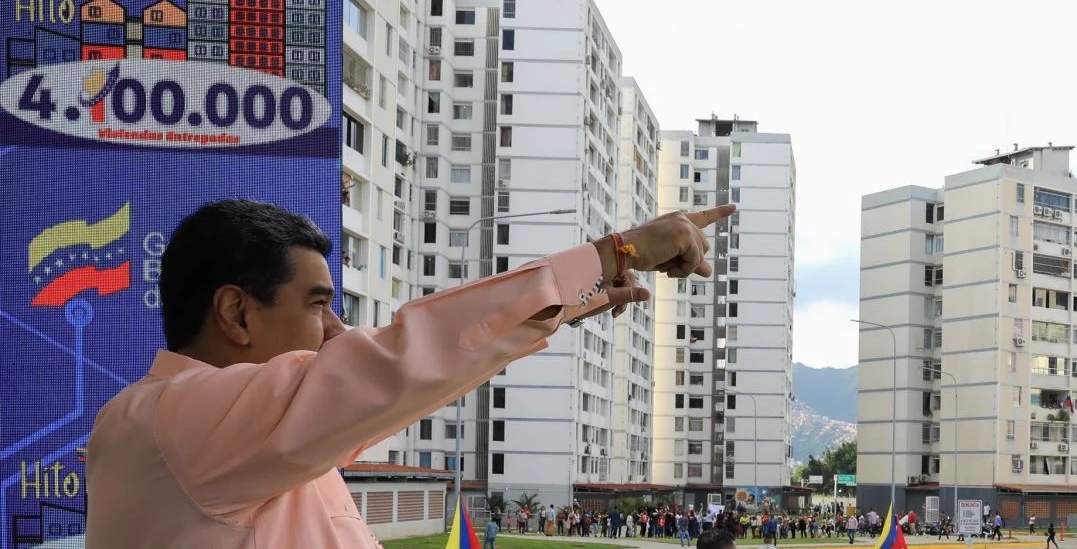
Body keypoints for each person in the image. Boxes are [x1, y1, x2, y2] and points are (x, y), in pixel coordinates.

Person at [85, 199, 735, 547]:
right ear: (236, 312)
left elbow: (410, 376)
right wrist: (613, 252)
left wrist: (565, 303)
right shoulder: (170, 420)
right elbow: (400, 364)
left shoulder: (247, 442)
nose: (337, 333)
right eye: (317, 306)